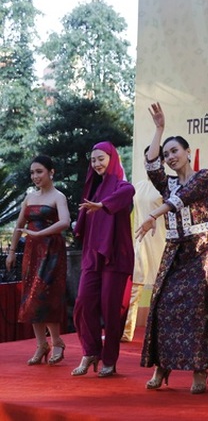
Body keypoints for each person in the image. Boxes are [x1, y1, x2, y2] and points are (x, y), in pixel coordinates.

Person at [138, 102, 208, 394]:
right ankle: (162, 366)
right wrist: (159, 129)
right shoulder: (166, 184)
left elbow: (183, 198)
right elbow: (151, 165)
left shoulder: (203, 177)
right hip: (174, 250)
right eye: (167, 153)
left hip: (200, 250)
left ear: (188, 152)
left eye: (175, 151)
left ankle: (199, 371)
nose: (170, 157)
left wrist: (153, 215)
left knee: (198, 310)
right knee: (163, 306)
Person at [72, 142, 135, 377]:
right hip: (92, 255)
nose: (97, 163)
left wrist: (103, 205)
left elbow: (128, 192)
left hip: (115, 256)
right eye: (94, 160)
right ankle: (91, 351)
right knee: (83, 302)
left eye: (101, 158)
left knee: (111, 309)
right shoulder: (93, 188)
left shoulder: (121, 184)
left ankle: (109, 359)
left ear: (112, 158)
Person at [6, 155, 70, 366]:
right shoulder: (30, 197)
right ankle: (41, 345)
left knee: (46, 295)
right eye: (32, 172)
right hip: (32, 252)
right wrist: (12, 251)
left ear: (51, 172)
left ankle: (57, 341)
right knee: (30, 296)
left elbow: (65, 222)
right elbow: (19, 224)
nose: (35, 176)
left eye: (39, 171)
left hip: (52, 251)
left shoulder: (58, 196)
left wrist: (39, 235)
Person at [121, 147, 166, 342]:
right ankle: (126, 331)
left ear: (162, 161)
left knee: (162, 289)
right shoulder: (137, 186)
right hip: (140, 242)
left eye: (154, 159)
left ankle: (162, 332)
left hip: (163, 241)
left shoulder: (167, 186)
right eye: (146, 159)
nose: (150, 163)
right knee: (134, 289)